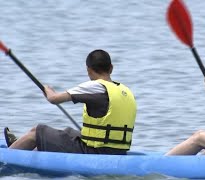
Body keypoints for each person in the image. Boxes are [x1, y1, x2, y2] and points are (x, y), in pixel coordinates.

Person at [4, 49, 137, 155]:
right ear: (111, 68)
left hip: (95, 152)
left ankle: (8, 156)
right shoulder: (126, 91)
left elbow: (54, 99)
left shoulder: (94, 86)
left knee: (37, 131)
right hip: (118, 151)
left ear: (89, 70)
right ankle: (23, 148)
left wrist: (47, 89)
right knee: (69, 133)